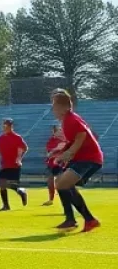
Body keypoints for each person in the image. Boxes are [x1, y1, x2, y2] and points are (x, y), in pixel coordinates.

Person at [50, 89, 103, 232]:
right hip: (84, 158)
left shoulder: (70, 119)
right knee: (62, 184)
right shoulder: (69, 119)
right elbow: (76, 139)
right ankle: (79, 220)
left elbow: (81, 136)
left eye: (55, 105)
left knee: (62, 183)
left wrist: (68, 153)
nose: (53, 109)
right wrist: (60, 153)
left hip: (88, 158)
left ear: (64, 107)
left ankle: (78, 220)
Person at [0, 118, 29, 211]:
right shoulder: (0, 139)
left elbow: (25, 148)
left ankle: (22, 192)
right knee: (2, 183)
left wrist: (19, 158)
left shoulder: (17, 137)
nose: (5, 127)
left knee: (12, 185)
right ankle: (6, 206)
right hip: (5, 165)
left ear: (11, 126)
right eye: (4, 125)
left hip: (14, 165)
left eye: (7, 125)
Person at [44, 124, 66, 206]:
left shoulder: (66, 141)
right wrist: (56, 149)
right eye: (58, 130)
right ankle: (50, 199)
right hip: (51, 164)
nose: (60, 132)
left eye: (61, 130)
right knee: (50, 182)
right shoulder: (51, 141)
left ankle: (66, 202)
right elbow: (49, 153)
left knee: (61, 184)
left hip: (61, 164)